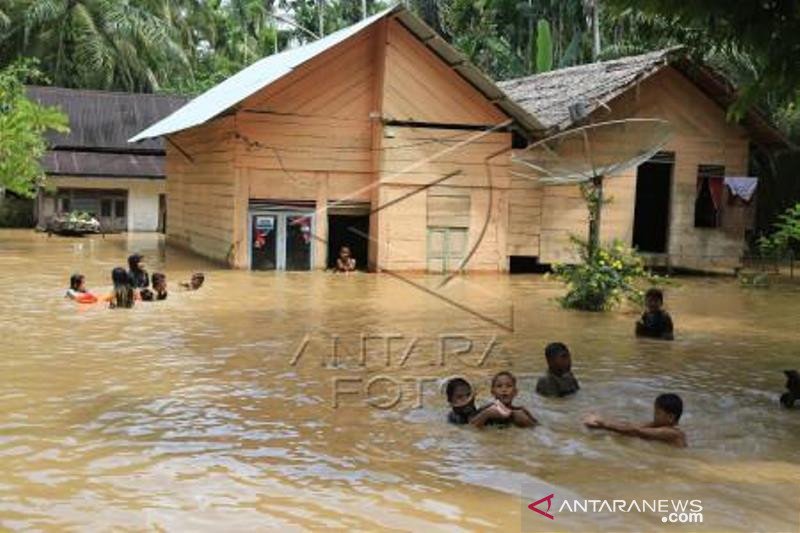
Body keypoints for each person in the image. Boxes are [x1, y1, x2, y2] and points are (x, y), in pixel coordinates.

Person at [583, 393, 687, 448]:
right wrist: (601, 421)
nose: (654, 416)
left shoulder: (673, 433)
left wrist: (604, 424)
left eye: (657, 413)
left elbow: (636, 431)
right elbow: (631, 425)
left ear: (670, 417)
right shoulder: (657, 425)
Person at [471, 371, 537, 428]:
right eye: (499, 386)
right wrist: (486, 414)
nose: (504, 390)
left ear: (515, 392)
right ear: (493, 392)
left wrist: (526, 421)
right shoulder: (487, 409)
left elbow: (537, 428)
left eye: (509, 386)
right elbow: (470, 427)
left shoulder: (521, 411)